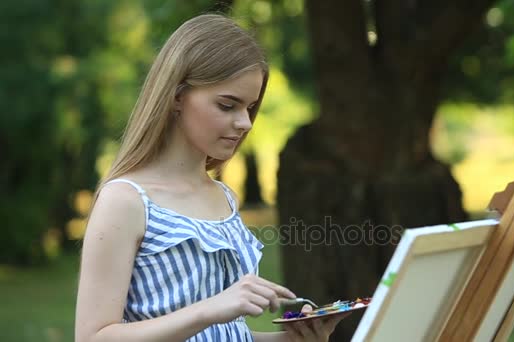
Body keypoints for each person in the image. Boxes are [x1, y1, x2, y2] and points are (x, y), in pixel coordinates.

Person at [75, 13, 348, 342]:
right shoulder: (126, 200)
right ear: (177, 97)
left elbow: (225, 332)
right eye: (227, 105)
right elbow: (93, 337)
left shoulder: (223, 197)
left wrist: (290, 339)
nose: (245, 123)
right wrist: (209, 309)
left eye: (250, 107)